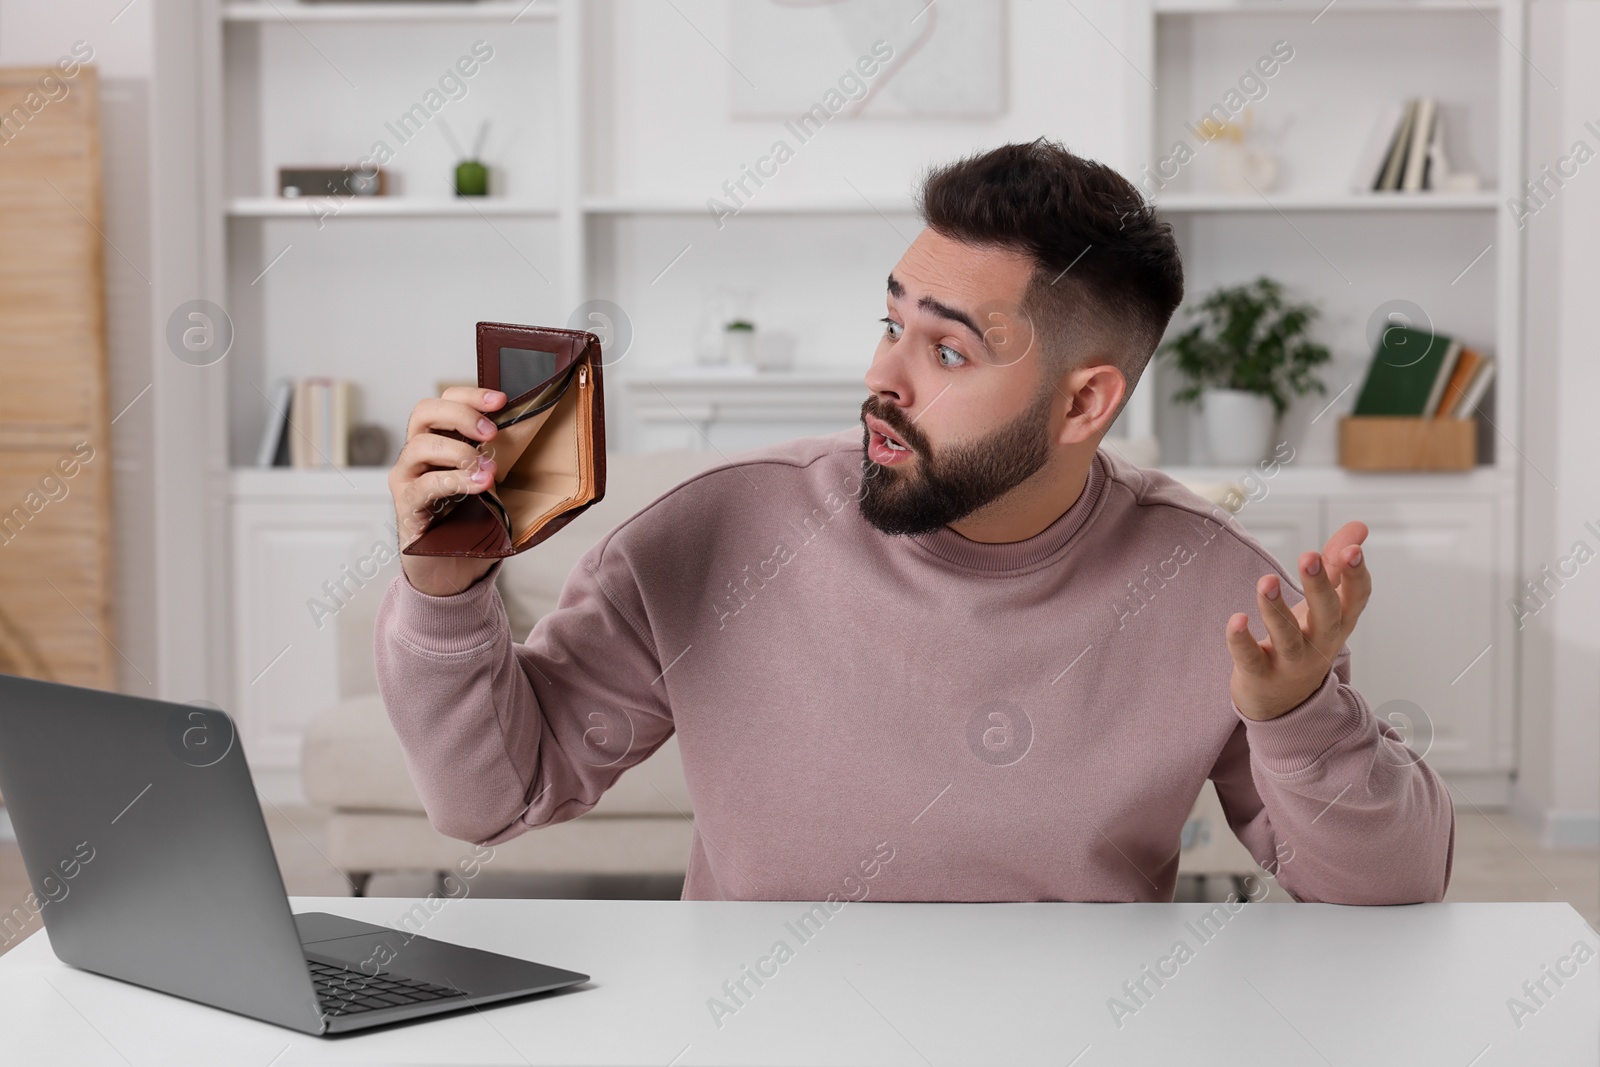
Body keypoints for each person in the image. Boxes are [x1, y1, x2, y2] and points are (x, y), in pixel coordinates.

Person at [375, 138, 1454, 905]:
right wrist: (443, 584)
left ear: (1086, 402)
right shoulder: (713, 530)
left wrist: (1301, 713)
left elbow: (1392, 888)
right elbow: (493, 798)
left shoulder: (1214, 588)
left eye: (944, 350)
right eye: (889, 322)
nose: (878, 376)